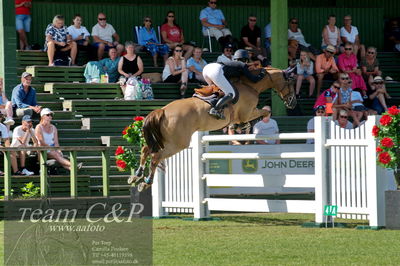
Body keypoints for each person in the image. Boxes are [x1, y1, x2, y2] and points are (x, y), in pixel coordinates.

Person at [202, 49, 267, 119]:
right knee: (231, 94)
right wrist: (262, 73)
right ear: (246, 60)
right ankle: (215, 109)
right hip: (216, 71)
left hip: (207, 69)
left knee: (218, 91)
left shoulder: (233, 64)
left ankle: (212, 105)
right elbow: (254, 80)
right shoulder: (242, 65)